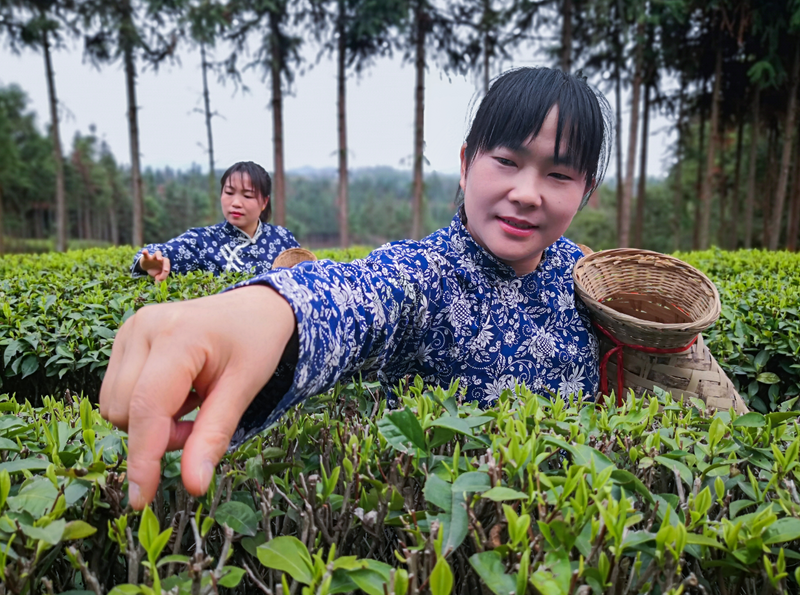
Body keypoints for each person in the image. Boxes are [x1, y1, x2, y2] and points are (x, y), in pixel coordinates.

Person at [100, 67, 613, 509]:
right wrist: (273, 310)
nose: (526, 193)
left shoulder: (584, 274)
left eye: (559, 174)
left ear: (585, 191)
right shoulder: (427, 274)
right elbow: (357, 294)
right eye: (506, 161)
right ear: (464, 164)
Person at [131, 161, 299, 281]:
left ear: (264, 202)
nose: (235, 203)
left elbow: (307, 274)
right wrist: (147, 262)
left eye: (247, 195)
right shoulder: (203, 241)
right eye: (229, 192)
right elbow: (153, 253)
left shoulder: (282, 238)